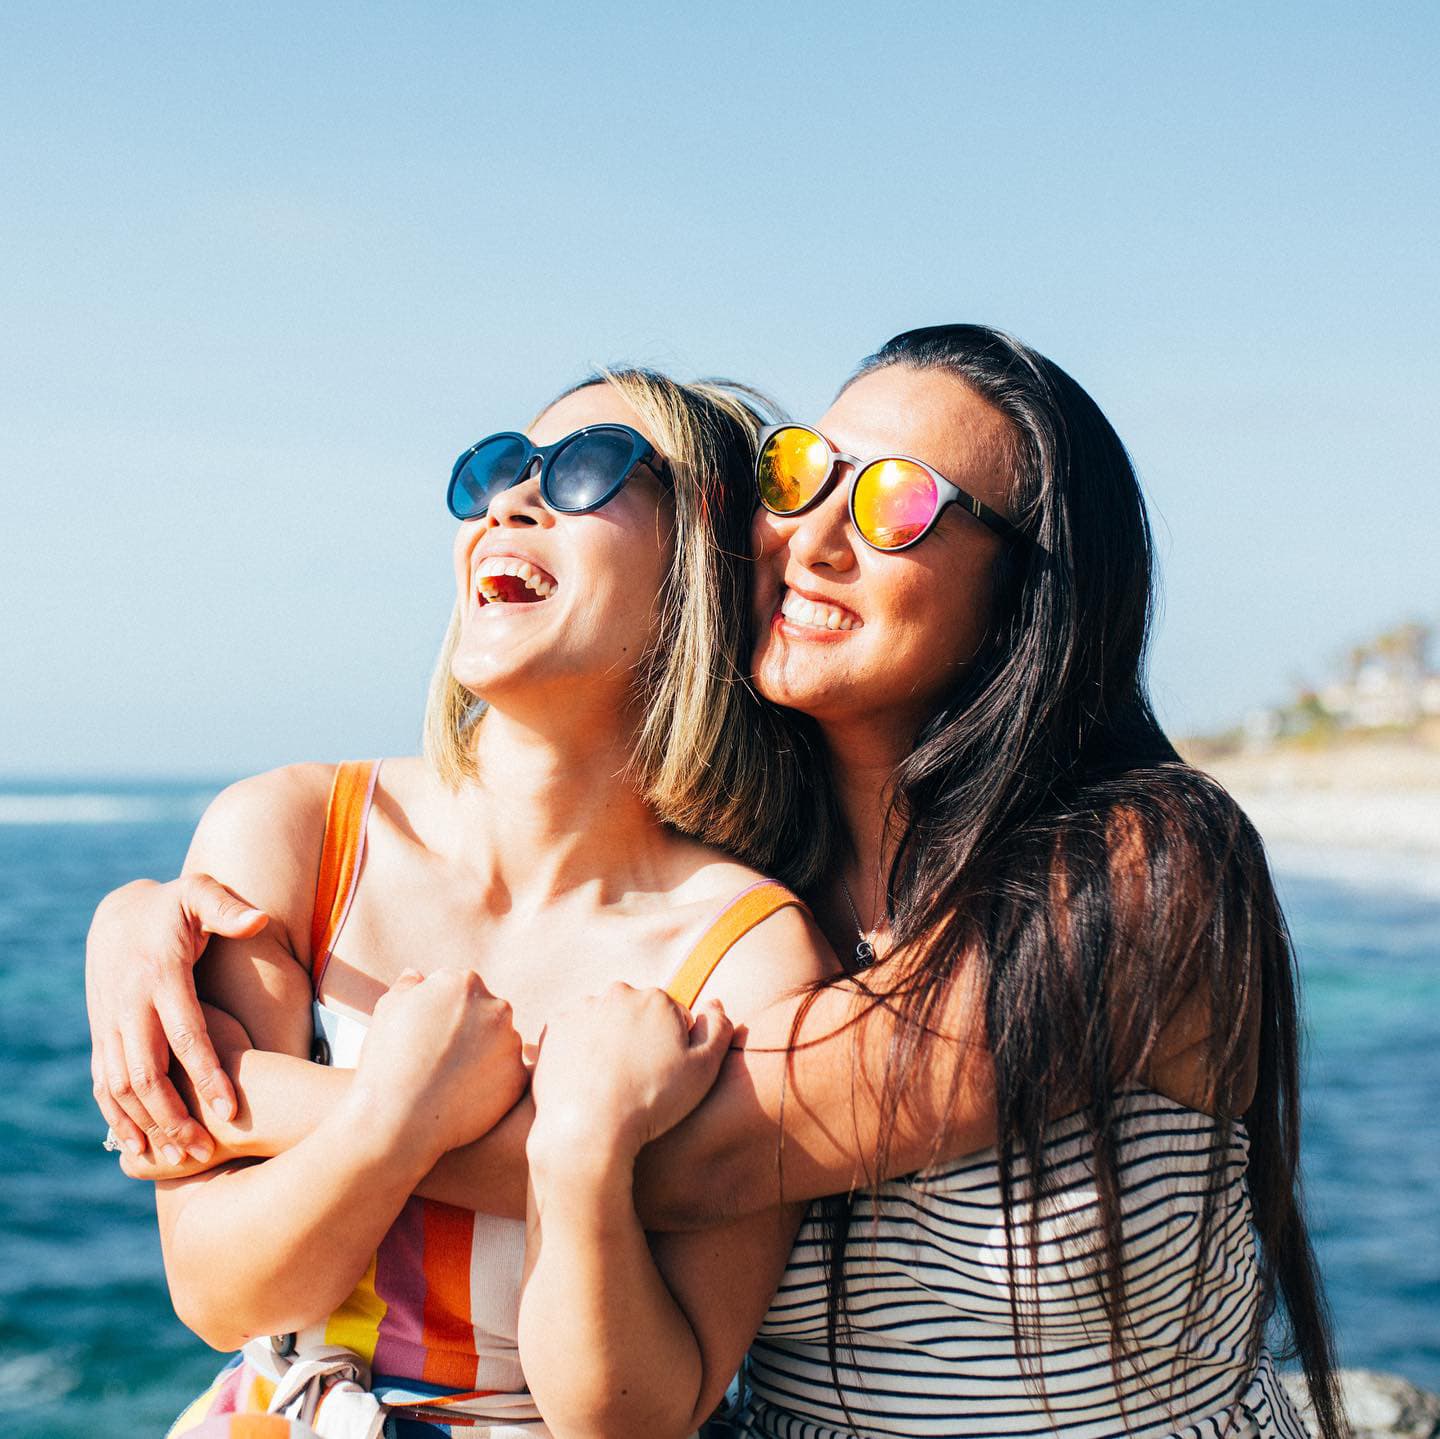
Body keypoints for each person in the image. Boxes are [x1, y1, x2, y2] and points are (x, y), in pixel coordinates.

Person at [89, 327, 1343, 1439]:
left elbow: (694, 1163)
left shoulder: (1140, 868)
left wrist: (235, 1088)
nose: (811, 536)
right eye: (801, 476)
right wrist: (137, 925)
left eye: (899, 503)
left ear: (1032, 592)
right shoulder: (778, 875)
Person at [97, 367, 838, 1437]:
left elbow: (637, 1415)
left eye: (586, 472)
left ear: (703, 565)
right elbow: (223, 1293)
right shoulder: (297, 835)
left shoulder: (748, 954)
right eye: (497, 469)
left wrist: (581, 1156)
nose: (510, 502)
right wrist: (393, 1118)